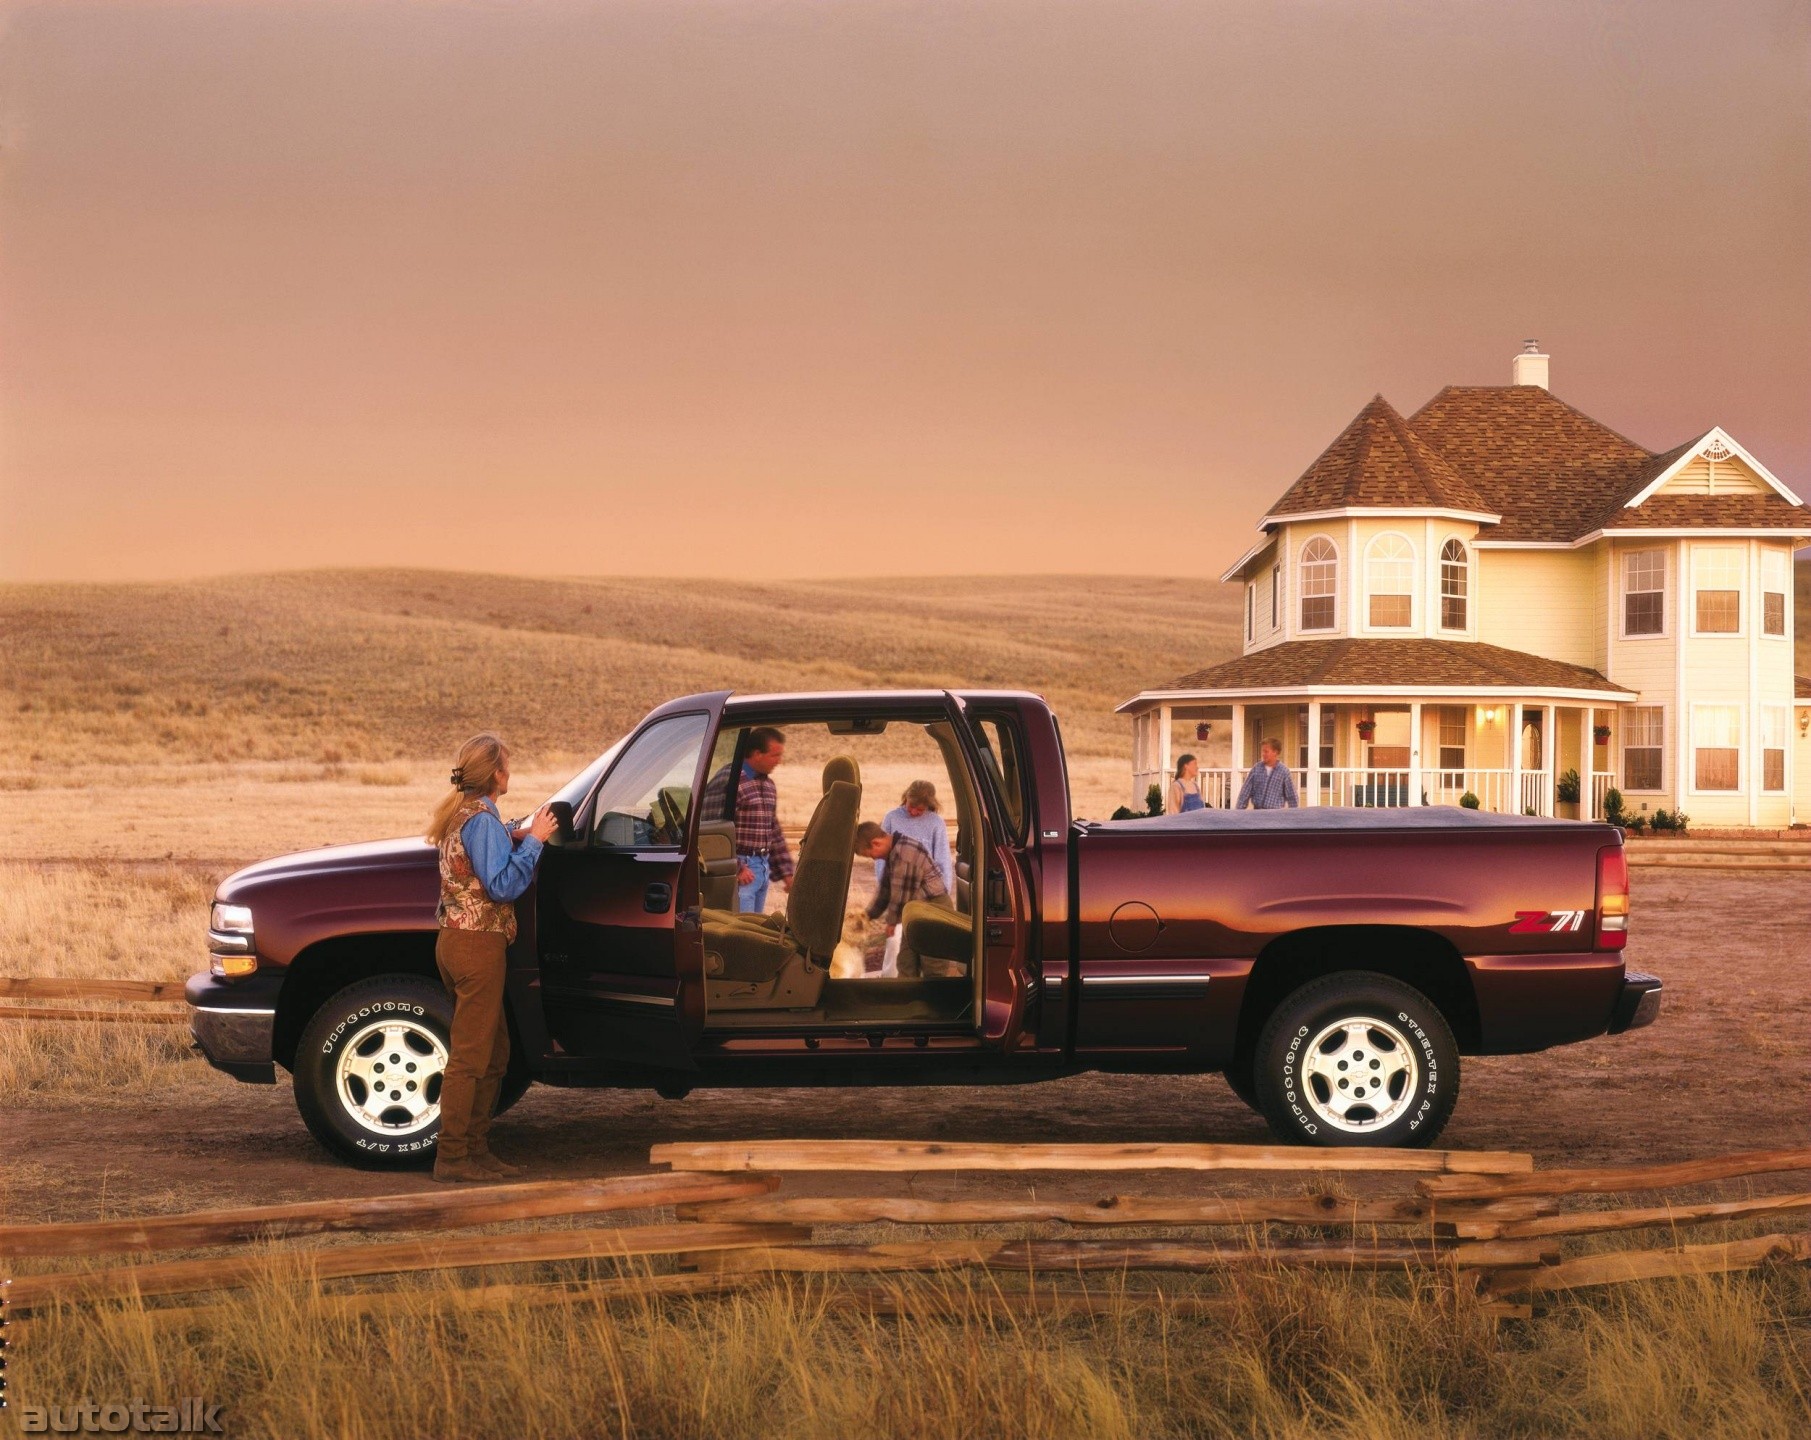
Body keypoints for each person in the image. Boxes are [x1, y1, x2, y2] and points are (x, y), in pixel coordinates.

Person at [425, 732, 558, 1184]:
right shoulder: (481, 820)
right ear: (496, 774)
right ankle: (453, 1156)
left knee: (495, 1052)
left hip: (458, 942)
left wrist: (514, 832)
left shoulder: (465, 813)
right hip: (477, 945)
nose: (510, 772)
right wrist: (535, 841)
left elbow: (484, 856)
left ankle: (475, 1149)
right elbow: (502, 885)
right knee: (470, 1056)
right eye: (507, 765)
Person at [700, 727, 795, 913]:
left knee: (755, 926)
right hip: (742, 870)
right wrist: (737, 867)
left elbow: (773, 830)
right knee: (740, 927)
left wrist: (787, 873)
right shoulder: (729, 780)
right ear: (757, 754)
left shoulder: (768, 785)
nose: (779, 761)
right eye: (775, 755)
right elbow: (710, 828)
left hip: (761, 867)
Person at [856, 820, 955, 978]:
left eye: (870, 855)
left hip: (934, 908)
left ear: (876, 843)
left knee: (933, 965)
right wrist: (868, 915)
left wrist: (892, 922)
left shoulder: (905, 852)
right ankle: (908, 992)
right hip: (916, 910)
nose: (874, 859)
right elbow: (886, 890)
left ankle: (935, 993)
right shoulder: (893, 852)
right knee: (906, 962)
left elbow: (903, 893)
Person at [877, 779, 955, 895]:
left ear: (929, 805)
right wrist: (883, 886)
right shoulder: (891, 818)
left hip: (925, 891)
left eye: (920, 809)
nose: (913, 812)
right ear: (906, 797)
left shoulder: (936, 823)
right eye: (911, 806)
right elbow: (881, 856)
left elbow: (943, 860)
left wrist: (944, 892)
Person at [1235, 738, 1299, 810]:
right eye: (1262, 751)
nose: (1263, 754)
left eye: (1266, 751)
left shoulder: (1283, 771)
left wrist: (1294, 813)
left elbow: (1292, 796)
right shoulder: (1257, 768)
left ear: (1275, 752)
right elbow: (1245, 791)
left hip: (1275, 813)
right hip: (1257, 812)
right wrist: (1239, 810)